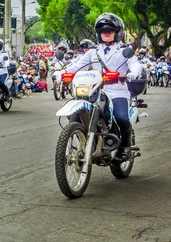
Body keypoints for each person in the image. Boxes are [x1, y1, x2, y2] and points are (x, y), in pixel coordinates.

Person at [54, 13, 141, 161]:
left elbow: (135, 64)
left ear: (117, 32)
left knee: (121, 117)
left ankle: (124, 147)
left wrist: (134, 73)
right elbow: (77, 65)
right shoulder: (93, 51)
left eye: (110, 30)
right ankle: (82, 141)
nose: (106, 33)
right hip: (96, 90)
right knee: (75, 114)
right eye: (103, 31)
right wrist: (61, 72)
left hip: (117, 91)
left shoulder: (125, 50)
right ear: (99, 34)